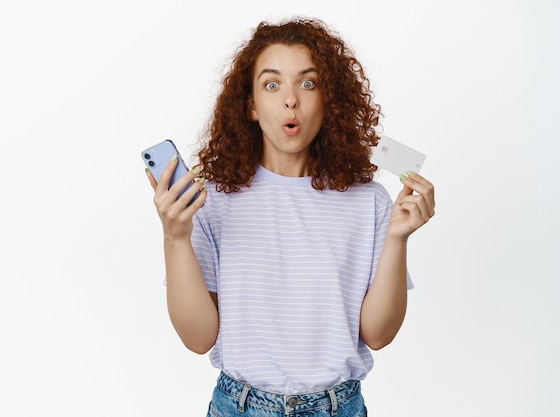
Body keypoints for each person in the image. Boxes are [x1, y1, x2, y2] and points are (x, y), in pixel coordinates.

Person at [146, 17, 435, 417]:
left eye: (308, 82)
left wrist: (399, 238)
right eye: (271, 84)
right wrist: (175, 238)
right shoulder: (209, 201)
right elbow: (198, 339)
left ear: (329, 100)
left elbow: (378, 334)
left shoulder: (370, 201)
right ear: (249, 105)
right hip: (239, 407)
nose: (290, 100)